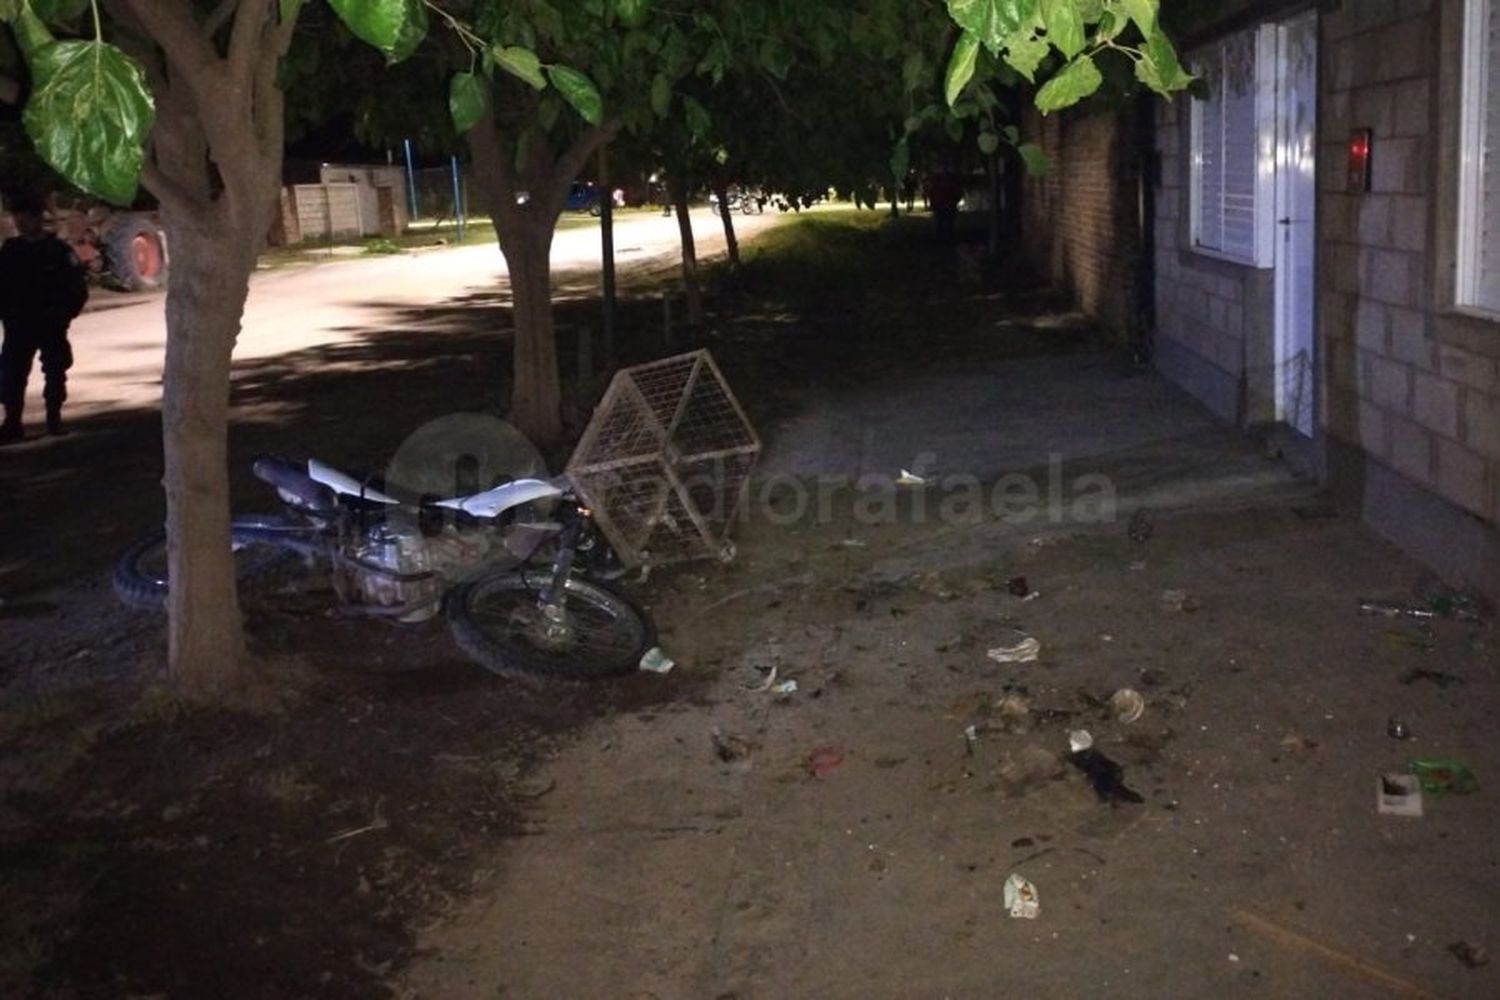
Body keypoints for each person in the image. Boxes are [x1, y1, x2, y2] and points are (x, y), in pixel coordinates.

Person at [0, 192, 88, 443]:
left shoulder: (57, 251)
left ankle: (54, 419)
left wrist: (64, 315)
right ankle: (12, 422)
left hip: (51, 322)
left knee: (55, 370)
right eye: (17, 219)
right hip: (18, 324)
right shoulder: (10, 251)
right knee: (12, 374)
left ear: (38, 218)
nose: (21, 224)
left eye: (25, 218)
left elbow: (76, 287)